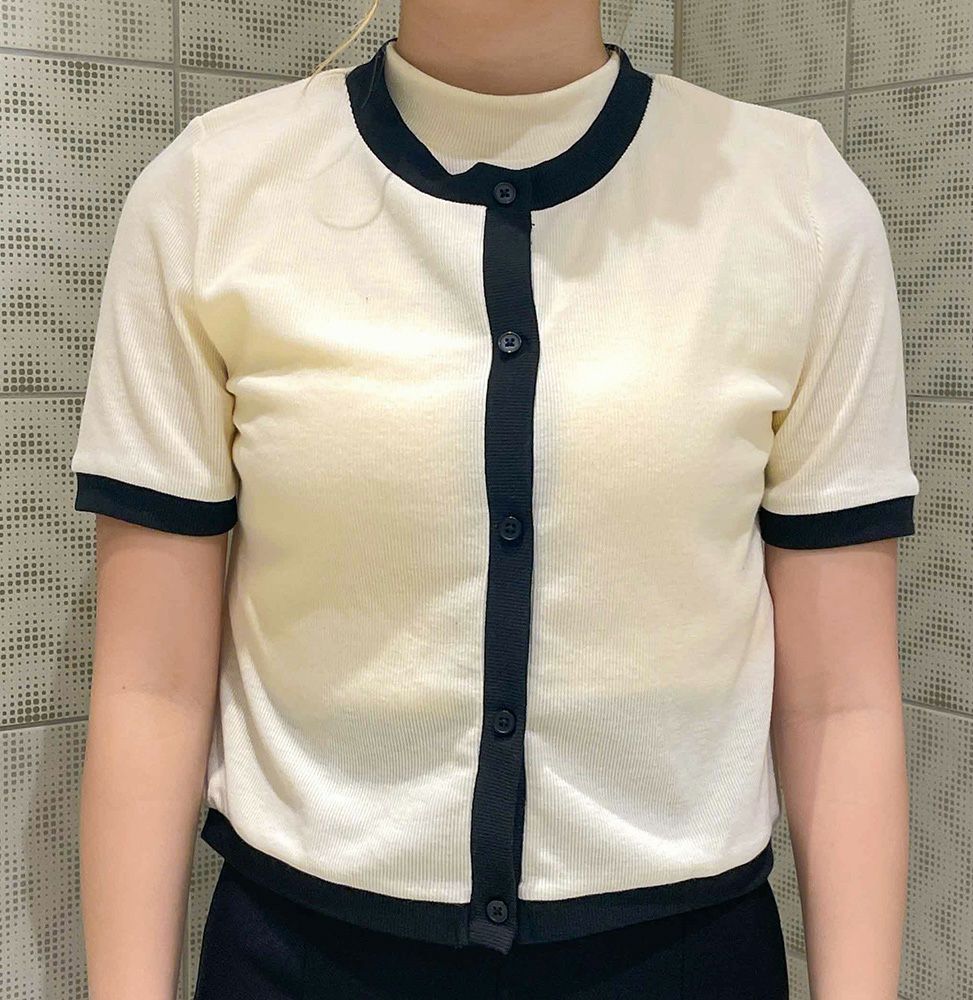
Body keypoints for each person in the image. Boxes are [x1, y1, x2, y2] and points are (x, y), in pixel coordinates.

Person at [70, 1, 919, 998]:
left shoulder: (800, 203)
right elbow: (151, 687)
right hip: (302, 958)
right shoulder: (210, 194)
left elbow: (840, 702)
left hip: (685, 962)